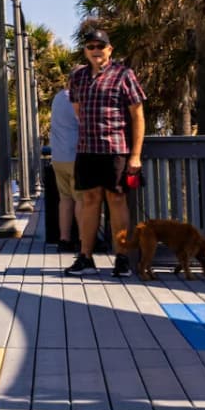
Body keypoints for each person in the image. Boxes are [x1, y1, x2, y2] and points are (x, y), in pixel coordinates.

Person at [66, 26, 145, 278]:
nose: (96, 51)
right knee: (89, 201)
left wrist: (135, 154)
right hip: (87, 150)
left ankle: (121, 257)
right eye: (91, 47)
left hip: (116, 149)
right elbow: (78, 111)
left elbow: (138, 116)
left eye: (101, 46)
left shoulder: (124, 75)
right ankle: (85, 257)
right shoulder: (77, 78)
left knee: (117, 201)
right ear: (85, 51)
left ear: (109, 49)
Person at [49, 86, 84, 254]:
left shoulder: (57, 97)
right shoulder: (78, 97)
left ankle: (64, 239)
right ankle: (84, 239)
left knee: (65, 199)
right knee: (81, 199)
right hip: (75, 155)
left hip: (58, 156)